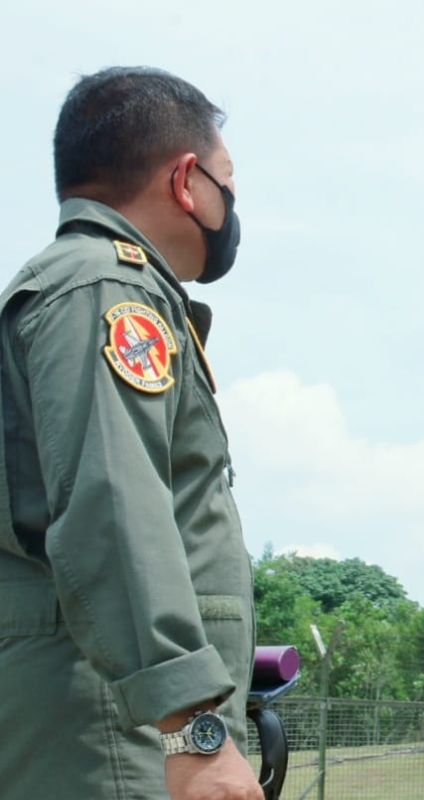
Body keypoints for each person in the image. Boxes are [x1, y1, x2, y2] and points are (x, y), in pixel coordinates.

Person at [0, 68, 262, 799]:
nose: (232, 202)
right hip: (114, 731)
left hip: (120, 721)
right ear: (188, 180)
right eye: (227, 179)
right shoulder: (105, 290)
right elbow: (113, 510)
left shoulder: (92, 286)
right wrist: (194, 730)